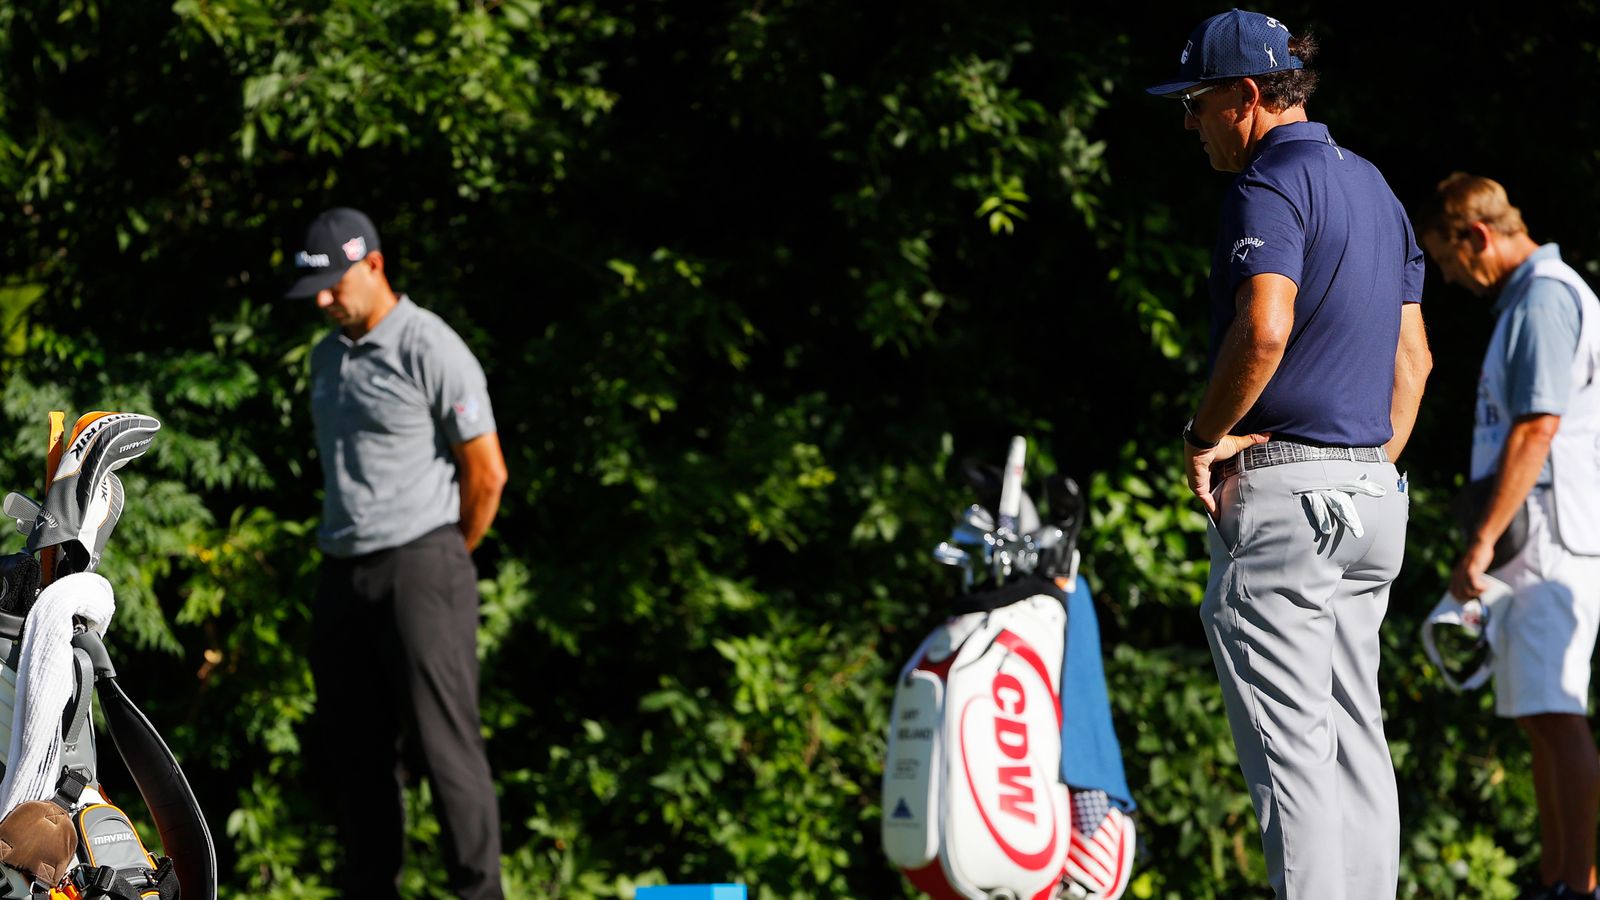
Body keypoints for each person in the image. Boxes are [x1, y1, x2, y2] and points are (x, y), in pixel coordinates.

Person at [1146, 10, 1432, 898]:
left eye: (1197, 103)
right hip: (1373, 500)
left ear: (1248, 96)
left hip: (1289, 506)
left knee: (1292, 759)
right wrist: (1362, 464)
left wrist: (1202, 439)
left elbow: (1262, 327)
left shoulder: (1266, 185)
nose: (1190, 124)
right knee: (1355, 745)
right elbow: (1414, 362)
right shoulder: (1377, 187)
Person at [285, 207, 508, 900]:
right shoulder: (326, 357)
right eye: (313, 289)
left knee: (446, 753)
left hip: (423, 563)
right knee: (357, 758)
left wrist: (445, 554)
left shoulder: (429, 346)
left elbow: (487, 473)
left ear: (374, 265)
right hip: (342, 571)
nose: (323, 300)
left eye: (333, 283)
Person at [1419, 174, 1600, 900]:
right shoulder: (1531, 298)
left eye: (1445, 257)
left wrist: (1482, 539)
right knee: (1536, 717)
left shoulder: (1546, 297)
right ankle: (1556, 878)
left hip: (1550, 537)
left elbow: (1538, 425)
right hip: (1540, 535)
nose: (1448, 275)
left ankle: (1578, 885)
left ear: (1476, 236)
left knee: (1557, 713)